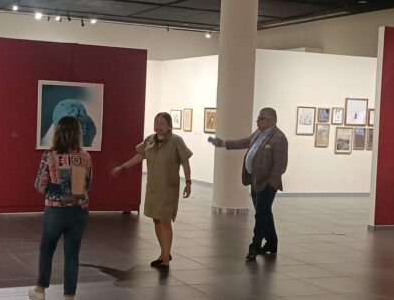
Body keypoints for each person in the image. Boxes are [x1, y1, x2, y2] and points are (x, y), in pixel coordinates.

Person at [29, 116, 93, 300]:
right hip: (79, 211)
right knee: (72, 254)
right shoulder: (85, 156)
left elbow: (39, 185)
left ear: (57, 132)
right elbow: (89, 183)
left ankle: (40, 291)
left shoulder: (50, 155)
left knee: (47, 250)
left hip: (55, 210)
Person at [111, 113, 191, 270]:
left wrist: (188, 182)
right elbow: (140, 156)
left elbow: (185, 162)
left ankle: (166, 259)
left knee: (165, 221)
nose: (158, 126)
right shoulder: (149, 140)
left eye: (162, 123)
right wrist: (123, 167)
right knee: (156, 220)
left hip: (168, 188)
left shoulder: (176, 141)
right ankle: (164, 253)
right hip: (153, 188)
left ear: (169, 126)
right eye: (156, 123)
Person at [210, 107, 288, 261]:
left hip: (267, 184)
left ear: (269, 121)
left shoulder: (279, 138)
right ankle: (272, 242)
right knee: (264, 213)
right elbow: (246, 142)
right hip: (254, 180)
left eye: (260, 118)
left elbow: (280, 166)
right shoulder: (259, 133)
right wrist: (224, 144)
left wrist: (270, 184)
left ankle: (255, 246)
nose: (257, 121)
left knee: (261, 214)